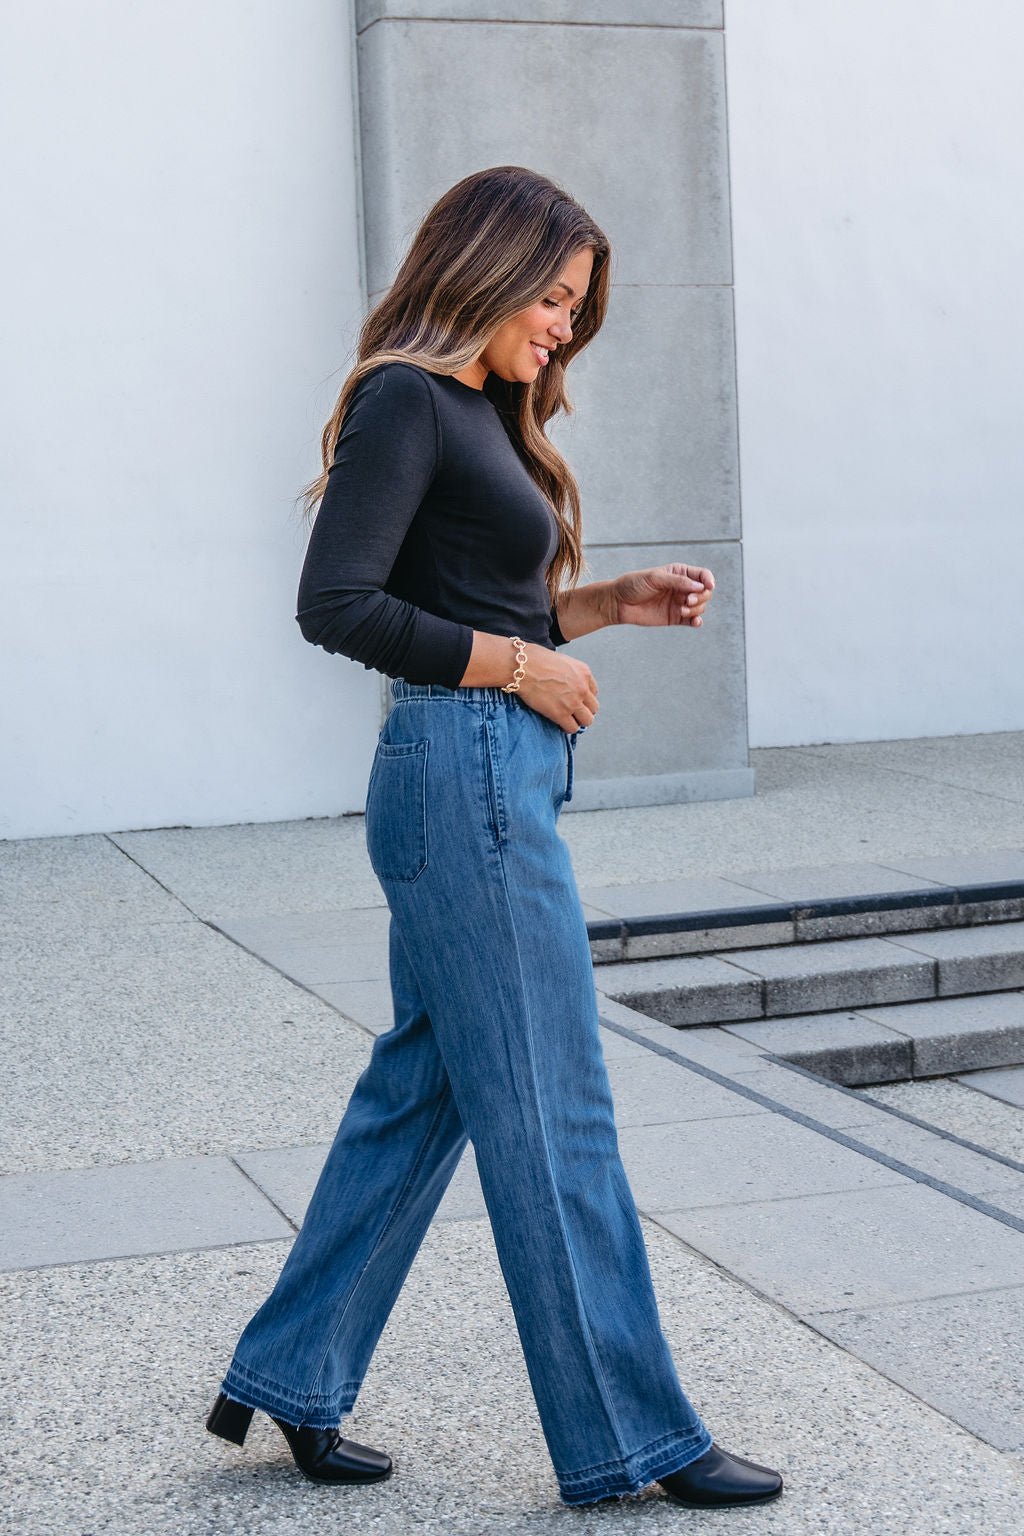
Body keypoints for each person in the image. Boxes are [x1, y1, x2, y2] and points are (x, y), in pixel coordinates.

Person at [205, 165, 783, 1513]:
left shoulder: (478, 414)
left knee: (430, 1091)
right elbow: (337, 604)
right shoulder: (410, 397)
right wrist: (521, 672)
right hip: (466, 775)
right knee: (557, 1110)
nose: (564, 329)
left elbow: (474, 604)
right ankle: (631, 1439)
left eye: (578, 310)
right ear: (486, 264)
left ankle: (288, 1372)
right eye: (552, 297)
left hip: (482, 776)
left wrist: (600, 610)